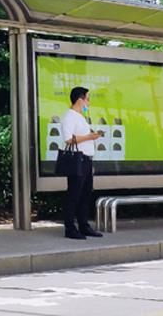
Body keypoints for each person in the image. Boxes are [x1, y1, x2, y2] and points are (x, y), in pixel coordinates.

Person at [60, 86, 104, 239]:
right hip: (77, 160)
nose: (88, 103)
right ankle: (70, 228)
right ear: (80, 100)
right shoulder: (69, 116)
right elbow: (68, 139)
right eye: (87, 99)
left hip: (86, 160)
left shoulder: (80, 117)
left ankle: (84, 225)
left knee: (85, 195)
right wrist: (88, 137)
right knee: (74, 194)